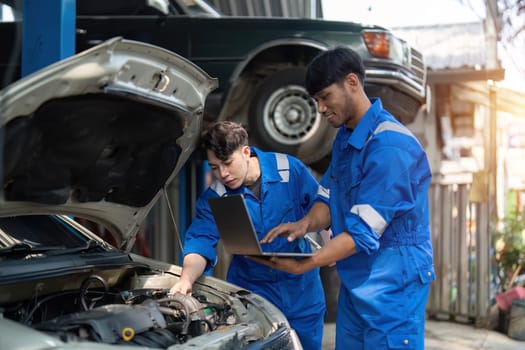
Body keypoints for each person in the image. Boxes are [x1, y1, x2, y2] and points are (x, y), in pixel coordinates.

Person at [256, 47, 436, 350]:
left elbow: (361, 233)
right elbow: (328, 196)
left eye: (325, 97)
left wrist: (308, 263)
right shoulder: (345, 138)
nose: (321, 108)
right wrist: (303, 224)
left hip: (395, 282)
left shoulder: (390, 146)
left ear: (352, 82)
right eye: (316, 101)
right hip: (358, 276)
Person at [170, 121, 326, 350]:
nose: (223, 174)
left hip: (302, 292)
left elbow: (322, 209)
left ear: (245, 152)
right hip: (253, 299)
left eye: (227, 163)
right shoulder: (216, 198)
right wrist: (186, 279)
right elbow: (200, 241)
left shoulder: (288, 170)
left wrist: (331, 245)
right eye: (214, 167)